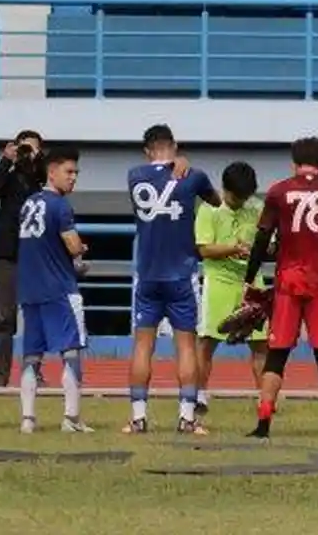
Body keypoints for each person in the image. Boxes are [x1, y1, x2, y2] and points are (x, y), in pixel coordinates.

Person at [244, 136, 318, 439]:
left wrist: (250, 276)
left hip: (288, 281)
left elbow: (262, 237)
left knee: (277, 353)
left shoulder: (278, 192)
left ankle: (263, 424)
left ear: (293, 161)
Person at [125, 124, 220, 435]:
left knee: (142, 346)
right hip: (181, 272)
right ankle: (186, 417)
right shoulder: (193, 175)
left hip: (148, 273)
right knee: (186, 346)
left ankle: (138, 417)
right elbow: (215, 200)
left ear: (147, 149)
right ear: (174, 146)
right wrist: (186, 165)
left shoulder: (134, 175)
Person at [16, 146, 92, 434]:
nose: (73, 178)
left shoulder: (28, 203)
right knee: (71, 351)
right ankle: (71, 418)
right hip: (59, 289)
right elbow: (72, 245)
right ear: (52, 172)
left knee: (31, 355)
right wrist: (81, 252)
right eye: (68, 172)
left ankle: (28, 419)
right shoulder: (60, 205)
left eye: (76, 173)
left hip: (30, 289)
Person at [195, 161, 265, 415]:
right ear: (225, 189)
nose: (241, 202)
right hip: (219, 281)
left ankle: (265, 400)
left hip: (252, 281)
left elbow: (271, 243)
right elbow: (204, 249)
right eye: (236, 197)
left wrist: (262, 249)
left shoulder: (258, 208)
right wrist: (234, 249)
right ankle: (200, 396)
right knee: (206, 342)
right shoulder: (208, 209)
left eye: (245, 197)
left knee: (261, 344)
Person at [0, 130, 45, 388]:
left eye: (32, 148)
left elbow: (51, 187)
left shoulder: (42, 178)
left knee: (36, 316)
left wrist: (38, 159)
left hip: (36, 254)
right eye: (24, 148)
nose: (27, 153)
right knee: (5, 316)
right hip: (8, 253)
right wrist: (7, 160)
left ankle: (33, 371)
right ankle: (0, 375)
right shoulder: (9, 178)